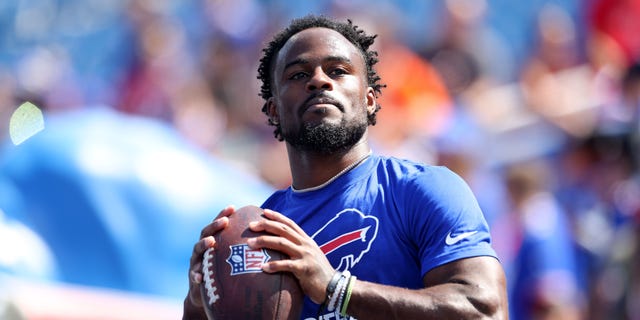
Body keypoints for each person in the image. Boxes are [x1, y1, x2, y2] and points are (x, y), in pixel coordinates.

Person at [183, 15, 508, 320]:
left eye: (338, 70)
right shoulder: (259, 231)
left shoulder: (422, 190)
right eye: (298, 74)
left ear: (369, 100)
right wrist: (200, 305)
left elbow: (485, 310)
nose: (319, 81)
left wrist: (337, 289)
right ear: (273, 111)